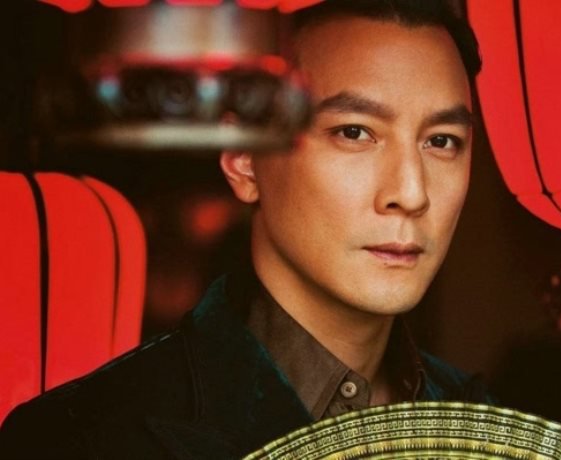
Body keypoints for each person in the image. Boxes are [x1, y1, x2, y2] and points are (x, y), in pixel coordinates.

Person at [0, 1, 489, 458]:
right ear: (244, 158)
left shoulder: (486, 428)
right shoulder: (87, 437)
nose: (411, 193)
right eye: (353, 132)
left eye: (442, 141)